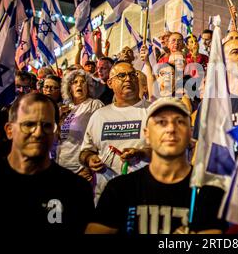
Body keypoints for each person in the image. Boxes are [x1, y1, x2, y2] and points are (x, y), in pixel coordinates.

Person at [85, 97, 225, 234]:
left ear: (190, 133)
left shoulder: (208, 188)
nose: (171, 128)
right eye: (161, 122)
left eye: (180, 122)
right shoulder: (121, 188)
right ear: (147, 134)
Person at [0, 93, 94, 234]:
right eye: (29, 124)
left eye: (47, 126)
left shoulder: (75, 188)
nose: (38, 133)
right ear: (9, 130)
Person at [79, 61, 150, 202]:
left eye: (132, 74)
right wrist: (89, 159)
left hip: (144, 195)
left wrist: (141, 154)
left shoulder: (153, 111)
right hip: (107, 197)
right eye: (122, 75)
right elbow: (85, 152)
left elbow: (166, 151)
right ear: (110, 83)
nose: (128, 78)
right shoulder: (99, 115)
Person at [57, 70, 104, 176]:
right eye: (75, 82)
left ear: (88, 87)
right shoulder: (67, 109)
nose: (79, 84)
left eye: (82, 82)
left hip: (81, 167)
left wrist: (88, 164)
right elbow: (59, 139)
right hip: (62, 165)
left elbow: (101, 136)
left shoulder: (94, 104)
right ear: (69, 88)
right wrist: (58, 118)